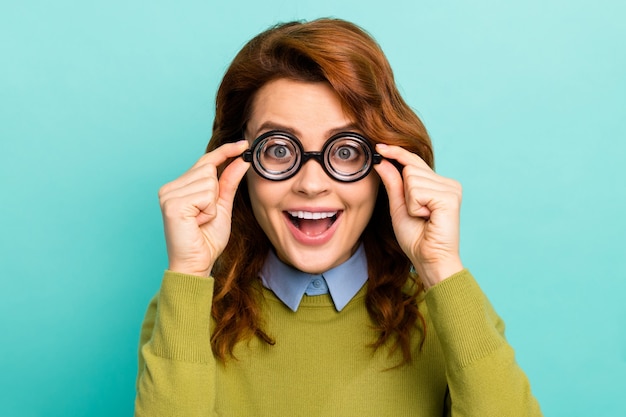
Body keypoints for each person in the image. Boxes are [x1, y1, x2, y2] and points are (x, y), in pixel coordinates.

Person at [134, 18, 543, 416]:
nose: (311, 184)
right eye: (279, 149)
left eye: (345, 151)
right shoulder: (187, 305)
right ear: (238, 162)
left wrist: (439, 267)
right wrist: (189, 271)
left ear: (386, 166)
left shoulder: (447, 309)